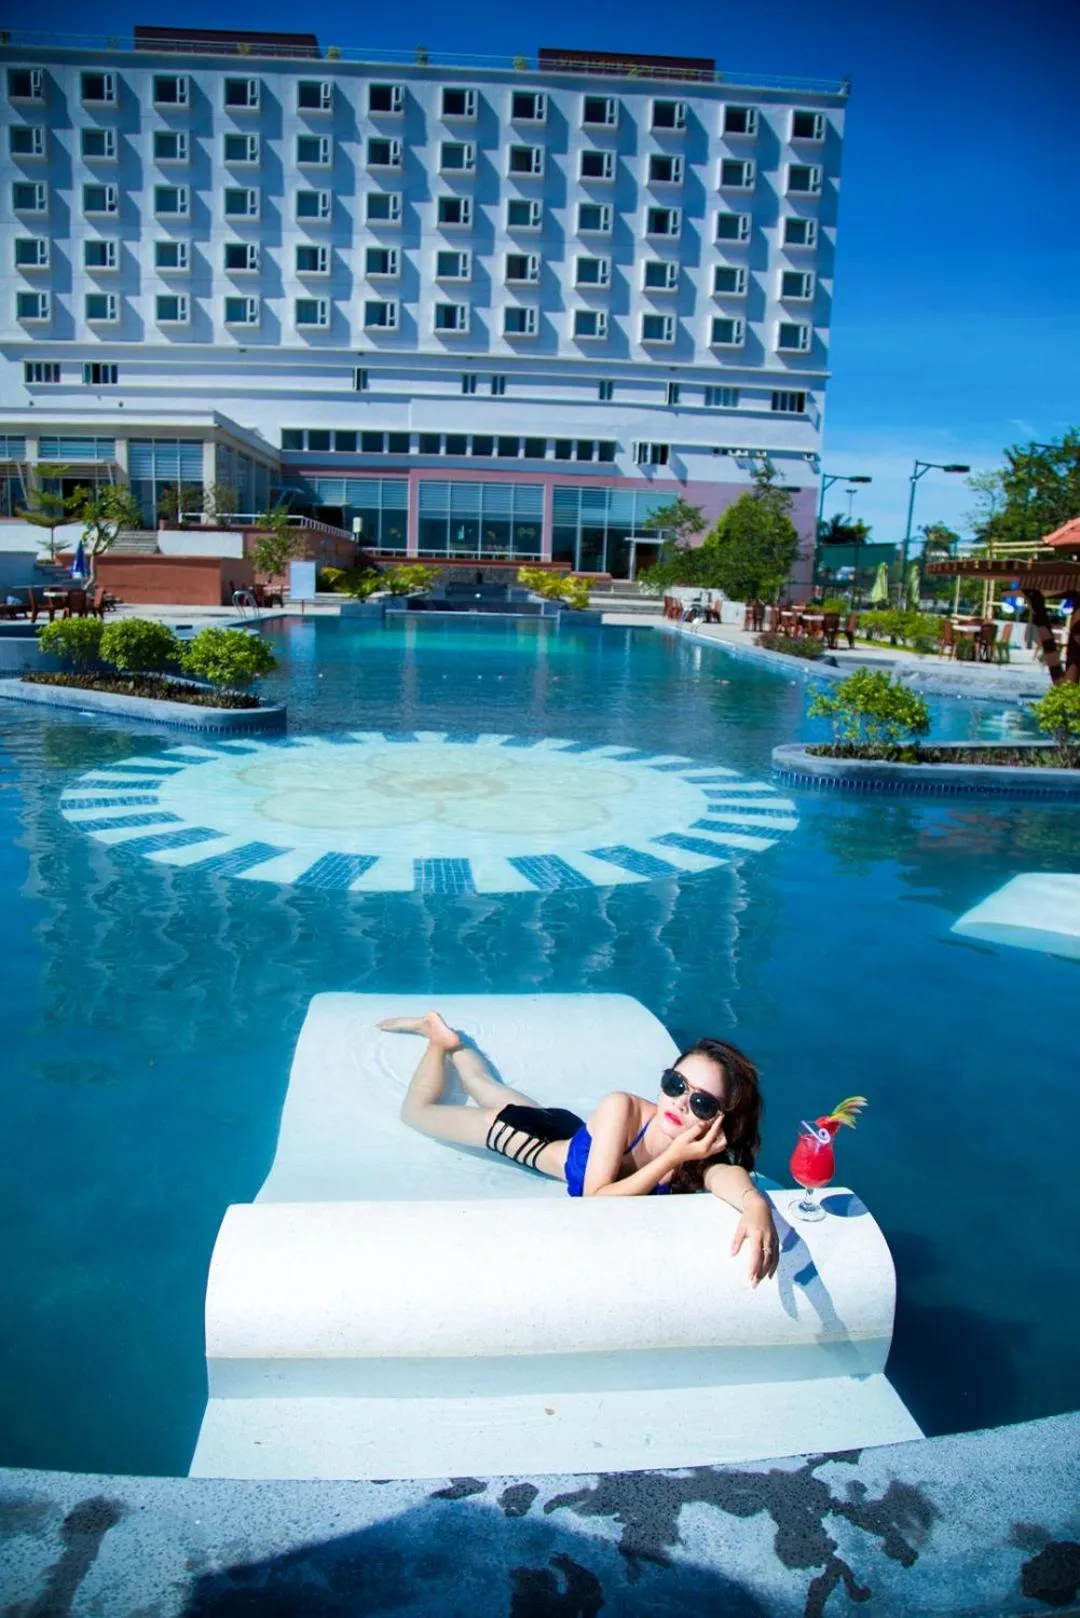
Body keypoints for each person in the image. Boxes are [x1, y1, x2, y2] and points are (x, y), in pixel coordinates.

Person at [378, 1011, 780, 1287]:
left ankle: (455, 1044)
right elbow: (596, 1200)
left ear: (721, 1119)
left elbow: (726, 1175)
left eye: (701, 1103)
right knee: (418, 1112)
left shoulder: (695, 1155)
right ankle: (435, 1039)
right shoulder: (622, 1106)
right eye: (676, 1085)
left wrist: (755, 1203)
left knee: (483, 1086)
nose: (678, 1103)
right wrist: (671, 1160)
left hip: (572, 1131)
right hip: (526, 1137)